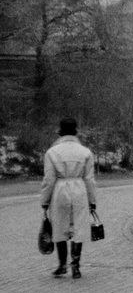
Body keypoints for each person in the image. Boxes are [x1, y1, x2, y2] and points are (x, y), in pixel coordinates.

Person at [39, 117, 98, 279]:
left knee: (59, 226)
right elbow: (90, 179)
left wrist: (44, 201)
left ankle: (62, 264)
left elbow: (48, 180)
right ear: (76, 131)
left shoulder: (52, 152)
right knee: (79, 227)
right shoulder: (85, 152)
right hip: (79, 188)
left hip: (60, 188)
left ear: (60, 132)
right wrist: (92, 200)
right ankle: (76, 265)